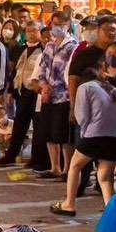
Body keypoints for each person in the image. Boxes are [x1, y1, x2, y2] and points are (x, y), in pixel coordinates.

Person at [51, 62, 116, 217]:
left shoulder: (85, 87)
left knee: (75, 166)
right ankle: (111, 210)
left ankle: (69, 203)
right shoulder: (115, 90)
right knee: (105, 176)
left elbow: (82, 115)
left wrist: (84, 133)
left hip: (95, 134)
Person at [0, 21, 48, 169]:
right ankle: (11, 155)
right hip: (22, 91)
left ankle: (37, 158)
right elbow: (14, 71)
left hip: (37, 92)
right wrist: (11, 90)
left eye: (34, 30)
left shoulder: (44, 49)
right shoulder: (19, 49)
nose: (31, 33)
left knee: (38, 127)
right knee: (19, 124)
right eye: (28, 30)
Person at [36, 11, 78, 179]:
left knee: (63, 135)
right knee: (48, 132)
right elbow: (43, 67)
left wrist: (55, 87)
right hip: (47, 95)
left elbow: (69, 73)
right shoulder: (50, 45)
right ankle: (55, 167)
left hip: (64, 96)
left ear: (68, 25)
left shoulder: (72, 46)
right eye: (54, 24)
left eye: (61, 24)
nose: (57, 27)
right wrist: (44, 85)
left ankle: (67, 168)